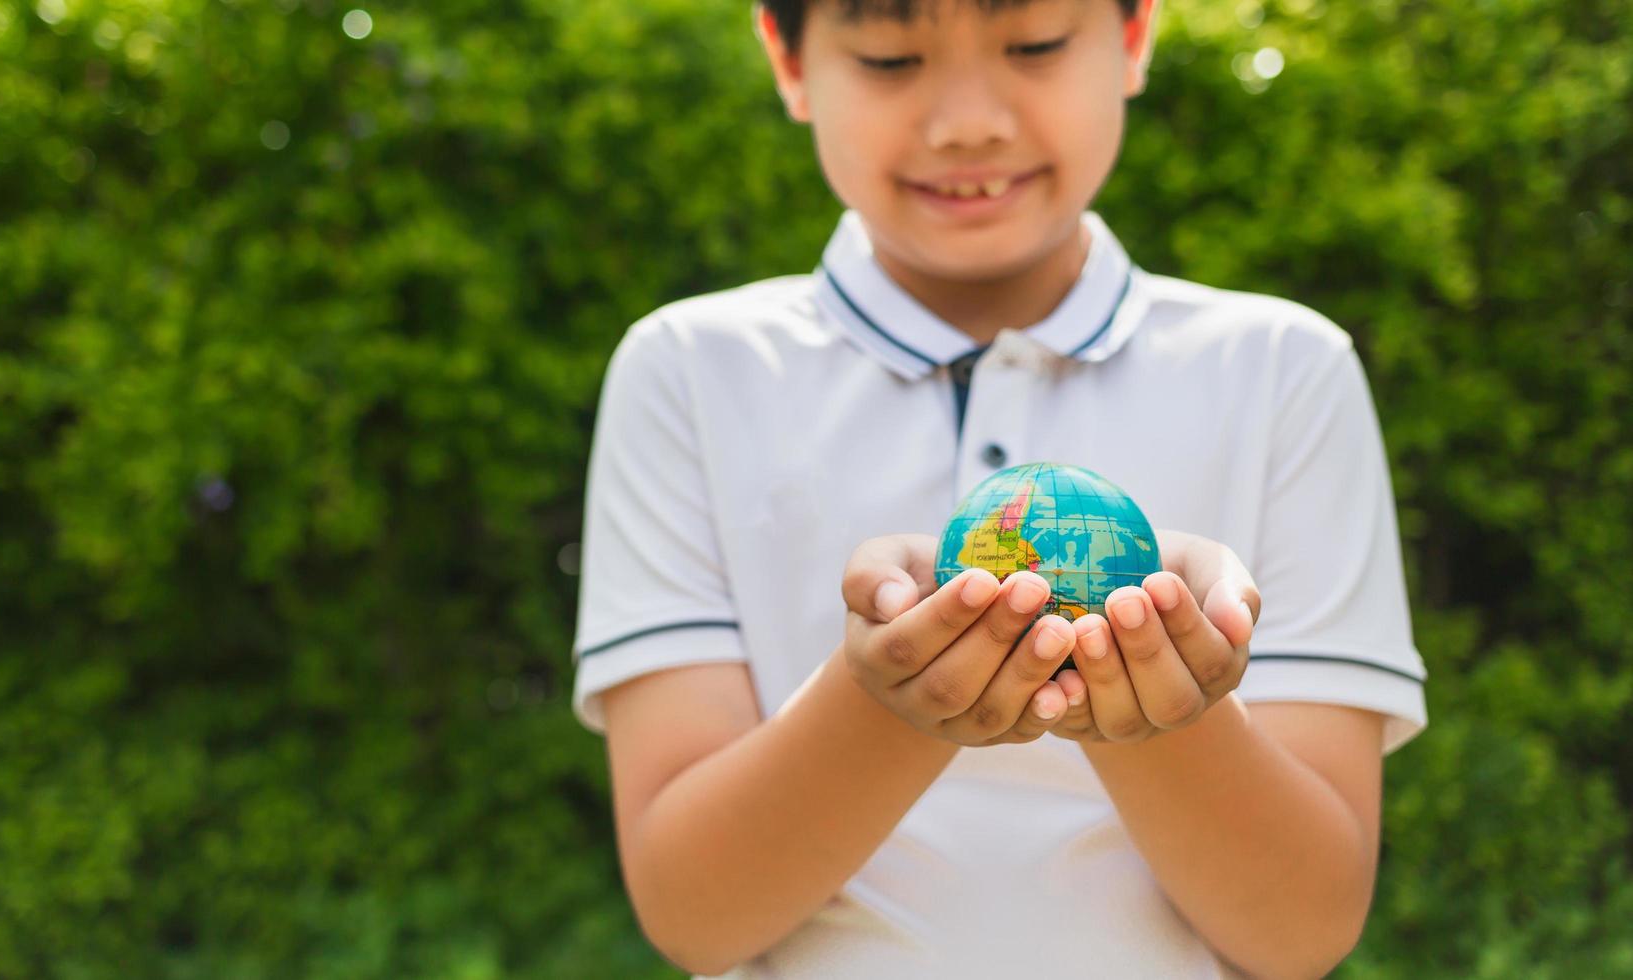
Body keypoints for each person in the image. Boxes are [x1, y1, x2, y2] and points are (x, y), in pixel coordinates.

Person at [569, 0, 1429, 975]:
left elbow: (1303, 927)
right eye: (891, 58)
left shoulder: (1283, 370)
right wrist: (883, 697)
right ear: (789, 58)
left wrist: (1154, 703)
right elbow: (693, 911)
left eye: (1033, 44)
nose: (966, 120)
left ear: (1133, 34)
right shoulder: (689, 370)